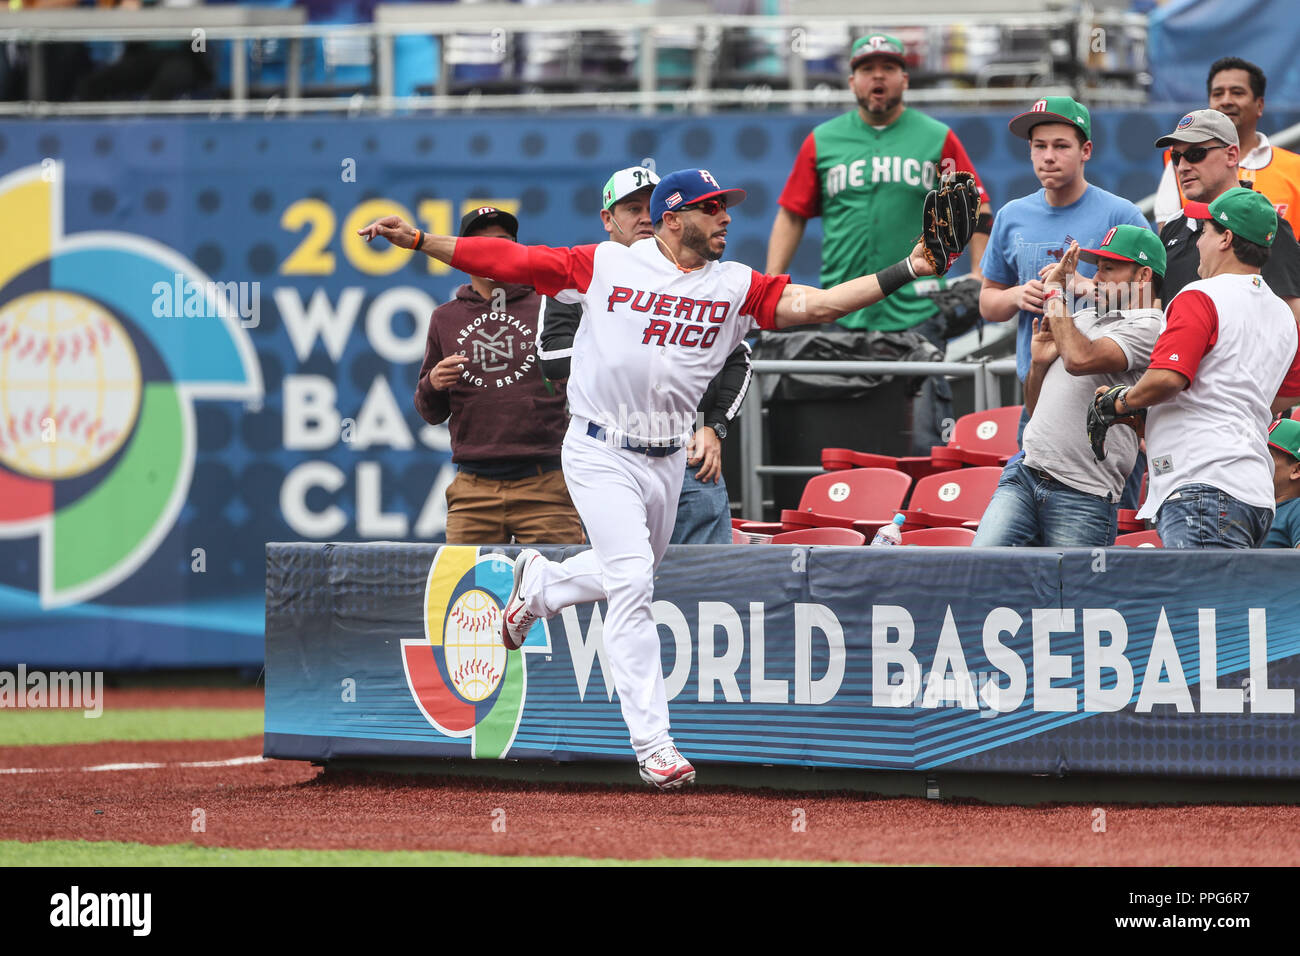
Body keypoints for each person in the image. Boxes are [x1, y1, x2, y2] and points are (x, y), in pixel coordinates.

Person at [361, 166, 957, 789]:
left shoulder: (736, 285)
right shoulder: (610, 263)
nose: (725, 216)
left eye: (726, 206)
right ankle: (654, 744)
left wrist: (909, 268)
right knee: (630, 586)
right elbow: (509, 259)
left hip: (667, 458)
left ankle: (538, 589)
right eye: (710, 208)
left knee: (636, 569)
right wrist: (422, 241)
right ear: (673, 219)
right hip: (599, 450)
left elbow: (819, 303)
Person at [766, 32, 992, 452]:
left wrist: (979, 274)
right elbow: (793, 211)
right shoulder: (823, 139)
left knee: (919, 438)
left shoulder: (935, 136)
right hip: (839, 307)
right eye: (867, 69)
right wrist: (774, 278)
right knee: (840, 434)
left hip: (916, 310)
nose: (877, 77)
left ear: (904, 79)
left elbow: (975, 205)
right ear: (852, 82)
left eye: (888, 68)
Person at [538, 165, 753, 545]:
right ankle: (543, 583)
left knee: (710, 577)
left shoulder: (696, 275)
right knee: (626, 570)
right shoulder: (586, 271)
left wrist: (715, 427)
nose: (643, 217)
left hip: (688, 449)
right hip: (609, 446)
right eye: (631, 208)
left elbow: (739, 359)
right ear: (607, 219)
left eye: (650, 206)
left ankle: (543, 582)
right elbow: (551, 360)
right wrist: (629, 346)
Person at [1093, 188, 1300, 549]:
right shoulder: (1284, 313)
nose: (1198, 241)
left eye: (1203, 231)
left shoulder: (1199, 295)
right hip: (1253, 492)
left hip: (1204, 484)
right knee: (1225, 604)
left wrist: (1121, 401)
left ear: (1226, 238)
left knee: (1204, 604)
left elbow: (1168, 379)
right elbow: (1286, 394)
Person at [973, 228, 1163, 547]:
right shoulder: (1083, 317)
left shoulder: (1151, 326)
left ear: (1143, 275)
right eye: (1098, 267)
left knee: (1071, 596)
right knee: (981, 575)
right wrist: (1037, 364)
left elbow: (1078, 359)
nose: (1098, 278)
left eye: (1109, 268)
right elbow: (1034, 409)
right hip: (1026, 472)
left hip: (1084, 493)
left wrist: (1054, 294)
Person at [413, 206, 584, 545]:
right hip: (472, 490)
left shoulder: (552, 304)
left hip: (548, 483)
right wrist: (432, 384)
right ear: (463, 255)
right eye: (481, 244)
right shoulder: (445, 317)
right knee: (465, 593)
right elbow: (430, 412)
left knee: (559, 592)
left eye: (503, 244)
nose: (493, 252)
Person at [980, 96, 1152, 413]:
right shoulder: (1011, 215)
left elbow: (1155, 300)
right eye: (1039, 146)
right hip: (1038, 392)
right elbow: (988, 302)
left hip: (1108, 398)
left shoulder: (1121, 214)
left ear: (1085, 151)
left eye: (1061, 146)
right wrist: (1016, 296)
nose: (1048, 157)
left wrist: (1093, 287)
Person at [1153, 109, 1300, 315]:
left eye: (1196, 154)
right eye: (1176, 157)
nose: (1183, 167)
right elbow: (1161, 310)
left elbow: (1292, 319)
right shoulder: (1174, 227)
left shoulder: (1265, 224)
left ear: (1231, 155)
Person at [1154, 57, 1300, 234]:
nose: (1226, 101)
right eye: (1217, 94)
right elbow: (1169, 243)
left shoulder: (1295, 168)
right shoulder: (1178, 162)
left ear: (1259, 105)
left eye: (1237, 92)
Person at [1263, 418, 1300, 549]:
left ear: (1296, 470)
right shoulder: (1255, 504)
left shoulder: (1297, 509)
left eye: (1269, 455)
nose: (1259, 461)